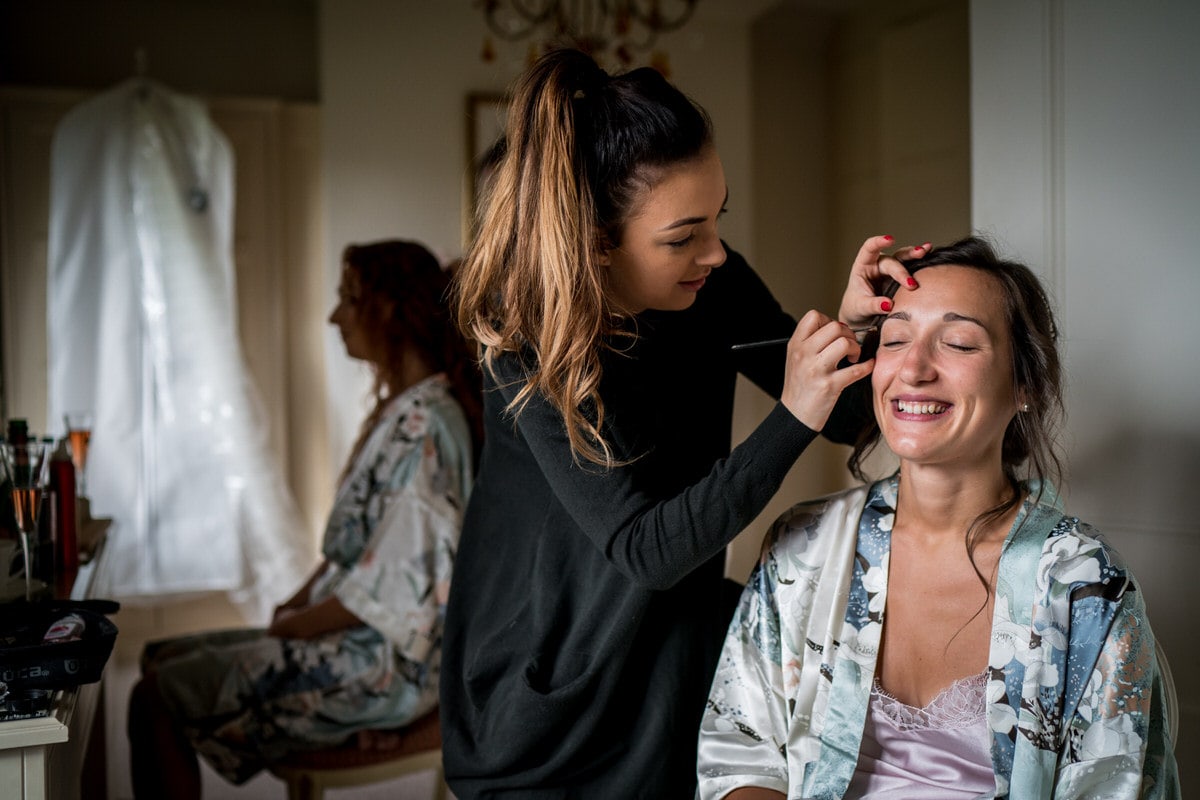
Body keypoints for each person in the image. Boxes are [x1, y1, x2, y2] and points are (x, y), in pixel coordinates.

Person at [440, 46, 924, 798]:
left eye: (717, 219)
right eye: (682, 236)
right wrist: (792, 412)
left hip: (669, 649)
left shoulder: (715, 285)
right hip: (551, 685)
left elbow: (845, 419)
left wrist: (861, 337)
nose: (715, 251)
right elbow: (647, 550)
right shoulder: (525, 342)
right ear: (596, 239)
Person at [697, 236, 1181, 799]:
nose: (914, 368)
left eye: (957, 342)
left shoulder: (1087, 588)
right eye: (896, 339)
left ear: (1024, 385)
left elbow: (1113, 784)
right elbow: (741, 757)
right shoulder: (801, 548)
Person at [127, 239, 482, 798]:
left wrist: (295, 625)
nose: (334, 315)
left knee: (156, 695)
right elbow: (362, 551)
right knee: (161, 656)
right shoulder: (402, 412)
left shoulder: (426, 426)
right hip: (358, 637)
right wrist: (299, 597)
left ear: (387, 308)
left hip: (383, 663)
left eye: (348, 298)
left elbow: (397, 592)